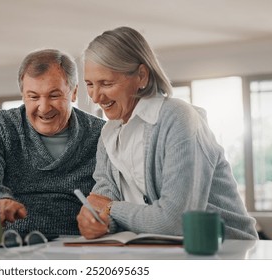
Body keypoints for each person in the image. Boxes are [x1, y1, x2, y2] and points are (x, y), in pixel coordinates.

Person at [77, 26, 258, 240]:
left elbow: (176, 222)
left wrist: (110, 209)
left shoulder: (178, 118)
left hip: (224, 250)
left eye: (106, 83)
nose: (96, 97)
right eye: (89, 84)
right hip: (159, 250)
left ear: (141, 76)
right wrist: (96, 221)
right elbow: (101, 203)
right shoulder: (108, 134)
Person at [0, 49, 105, 236]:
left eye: (54, 95)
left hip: (75, 243)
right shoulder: (0, 126)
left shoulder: (101, 134)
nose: (43, 108)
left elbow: (112, 197)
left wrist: (103, 219)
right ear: (23, 95)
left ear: (74, 93)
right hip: (11, 242)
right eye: (33, 97)